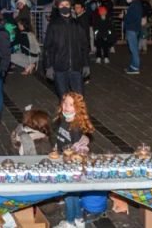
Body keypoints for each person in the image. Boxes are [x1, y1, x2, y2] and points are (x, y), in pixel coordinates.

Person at [51, 92, 97, 228]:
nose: (66, 107)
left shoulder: (75, 127)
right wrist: (55, 148)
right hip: (63, 158)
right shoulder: (65, 119)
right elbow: (61, 138)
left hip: (71, 164)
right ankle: (78, 219)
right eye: (65, 103)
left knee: (69, 195)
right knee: (74, 194)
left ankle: (70, 222)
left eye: (71, 105)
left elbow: (77, 151)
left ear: (77, 108)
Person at [44, 0, 90, 98]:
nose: (64, 7)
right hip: (59, 68)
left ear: (70, 7)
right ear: (58, 7)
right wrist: (49, 66)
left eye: (67, 5)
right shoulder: (53, 25)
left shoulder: (77, 25)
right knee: (64, 99)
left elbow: (84, 46)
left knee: (78, 99)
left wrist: (86, 64)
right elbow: (48, 48)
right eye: (61, 5)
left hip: (76, 67)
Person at [123, 0, 143, 74]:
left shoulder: (135, 5)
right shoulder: (137, 4)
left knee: (133, 49)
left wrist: (124, 17)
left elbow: (132, 17)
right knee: (133, 48)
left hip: (132, 28)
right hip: (135, 28)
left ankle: (135, 68)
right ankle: (133, 66)